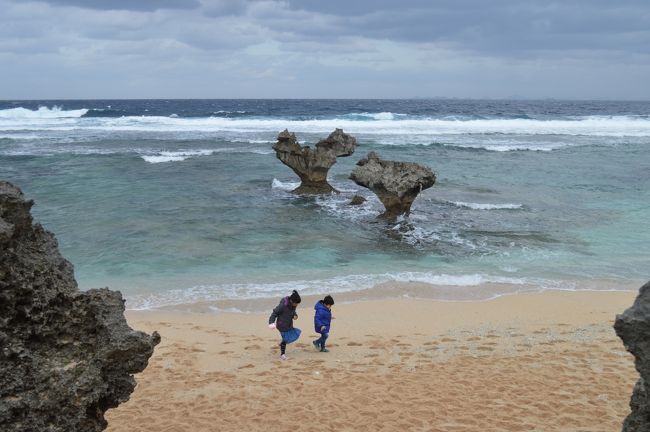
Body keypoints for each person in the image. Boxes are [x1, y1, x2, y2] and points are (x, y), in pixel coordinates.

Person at [268, 290, 301, 360]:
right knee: (285, 340)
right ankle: (282, 354)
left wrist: (295, 315)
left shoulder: (293, 305)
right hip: (282, 325)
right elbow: (274, 313)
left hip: (289, 324)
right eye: (296, 303)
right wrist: (271, 322)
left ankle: (281, 343)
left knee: (290, 336)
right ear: (292, 301)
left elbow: (293, 312)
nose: (297, 305)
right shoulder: (282, 306)